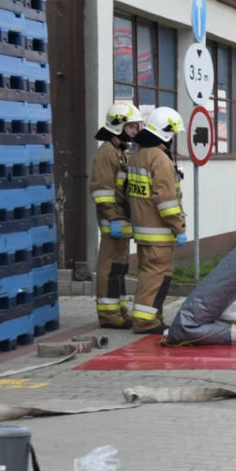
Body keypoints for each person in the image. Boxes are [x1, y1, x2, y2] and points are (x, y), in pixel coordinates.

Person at [126, 107, 185, 335]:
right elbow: (166, 199)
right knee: (157, 277)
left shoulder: (138, 154)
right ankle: (146, 321)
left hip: (142, 229)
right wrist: (178, 226)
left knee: (147, 275)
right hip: (159, 231)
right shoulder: (159, 158)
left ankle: (150, 316)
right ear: (167, 132)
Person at [89, 103, 143, 328]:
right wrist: (112, 219)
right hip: (113, 220)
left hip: (121, 218)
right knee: (109, 267)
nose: (134, 131)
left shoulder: (120, 150)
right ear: (119, 125)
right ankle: (108, 315)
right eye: (131, 127)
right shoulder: (107, 153)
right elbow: (101, 190)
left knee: (120, 267)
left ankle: (119, 309)